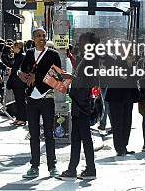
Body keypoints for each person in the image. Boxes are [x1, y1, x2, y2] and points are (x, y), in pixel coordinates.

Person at [18, 28, 62, 179]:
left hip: (47, 98)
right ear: (33, 38)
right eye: (38, 36)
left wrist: (37, 77)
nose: (41, 38)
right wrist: (23, 75)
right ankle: (34, 166)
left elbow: (56, 75)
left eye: (43, 36)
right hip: (31, 99)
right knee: (34, 134)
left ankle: (52, 166)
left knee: (49, 134)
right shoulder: (29, 53)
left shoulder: (53, 54)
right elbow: (22, 70)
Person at [57, 33, 97, 181]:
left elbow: (86, 81)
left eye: (82, 41)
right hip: (79, 105)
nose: (80, 44)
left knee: (84, 138)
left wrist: (71, 78)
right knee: (77, 139)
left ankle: (89, 168)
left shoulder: (90, 59)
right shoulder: (86, 58)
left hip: (82, 105)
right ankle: (73, 168)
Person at [106, 52, 139, 156]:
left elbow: (134, 79)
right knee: (118, 123)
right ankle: (119, 147)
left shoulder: (132, 66)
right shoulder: (116, 64)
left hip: (128, 97)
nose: (133, 59)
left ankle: (124, 145)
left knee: (127, 122)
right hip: (116, 98)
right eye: (131, 57)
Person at [7, 41, 27, 126]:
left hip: (19, 82)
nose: (12, 49)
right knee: (18, 100)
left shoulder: (22, 56)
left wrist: (12, 71)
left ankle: (22, 118)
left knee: (20, 100)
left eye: (14, 47)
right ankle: (19, 118)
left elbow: (20, 69)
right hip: (16, 81)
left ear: (18, 47)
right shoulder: (18, 56)